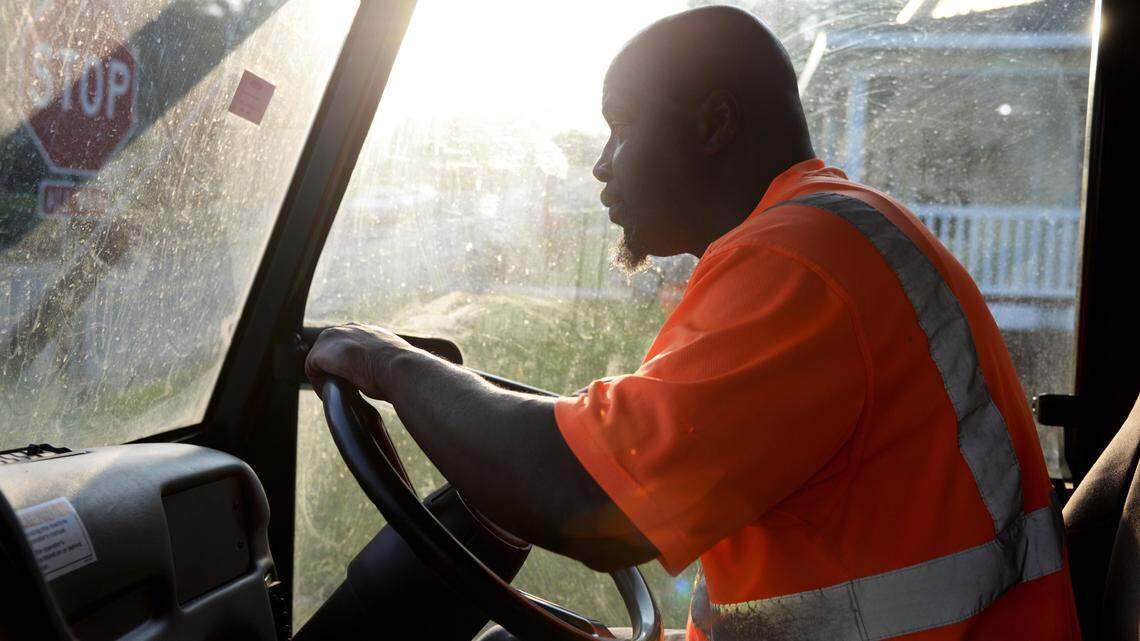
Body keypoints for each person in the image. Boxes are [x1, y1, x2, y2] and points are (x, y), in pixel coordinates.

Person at [306, 6, 1081, 640]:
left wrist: (387, 364)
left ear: (714, 124)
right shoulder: (836, 234)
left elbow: (584, 501)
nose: (603, 164)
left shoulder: (801, 262)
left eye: (623, 126)